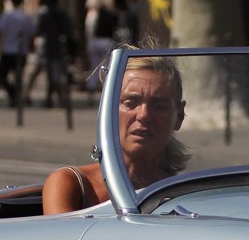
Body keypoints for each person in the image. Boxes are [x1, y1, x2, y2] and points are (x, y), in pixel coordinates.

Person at [43, 50, 190, 215]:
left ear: (179, 116)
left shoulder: (186, 194)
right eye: (130, 103)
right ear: (108, 110)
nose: (144, 115)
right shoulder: (73, 184)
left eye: (159, 106)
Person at [24, 0, 75, 108]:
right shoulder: (63, 14)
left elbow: (39, 31)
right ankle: (56, 98)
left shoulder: (46, 15)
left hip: (48, 48)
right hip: (60, 49)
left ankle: (52, 98)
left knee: (48, 74)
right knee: (55, 74)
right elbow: (69, 31)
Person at [0, 0, 34, 107]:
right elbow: (31, 34)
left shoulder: (6, 16)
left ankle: (13, 94)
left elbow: (1, 34)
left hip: (8, 50)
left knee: (1, 74)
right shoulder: (26, 17)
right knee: (18, 75)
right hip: (21, 50)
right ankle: (15, 94)